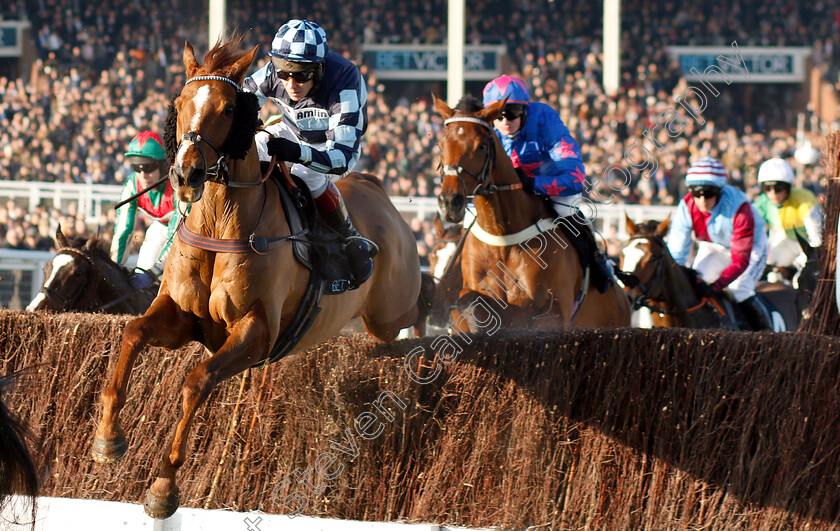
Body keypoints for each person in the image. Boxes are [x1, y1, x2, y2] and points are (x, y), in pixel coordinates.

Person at [243, 19, 375, 289]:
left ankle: (347, 234)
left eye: (301, 75)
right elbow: (240, 100)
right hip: (290, 131)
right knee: (250, 146)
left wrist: (298, 153)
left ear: (319, 68)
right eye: (284, 74)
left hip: (332, 144)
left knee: (305, 171)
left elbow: (343, 157)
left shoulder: (344, 80)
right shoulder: (273, 71)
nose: (291, 84)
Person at [481, 74, 613, 292]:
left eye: (512, 113)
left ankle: (597, 262)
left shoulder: (545, 121)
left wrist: (534, 183)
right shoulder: (485, 131)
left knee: (566, 208)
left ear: (524, 111)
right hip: (507, 191)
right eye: (498, 114)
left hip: (549, 185)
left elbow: (575, 179)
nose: (505, 120)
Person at [667, 157, 773, 330]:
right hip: (715, 246)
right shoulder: (686, 206)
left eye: (708, 193)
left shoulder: (740, 208)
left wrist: (716, 286)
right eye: (696, 193)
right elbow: (677, 254)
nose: (702, 200)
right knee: (697, 283)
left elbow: (740, 260)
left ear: (720, 191)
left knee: (739, 288)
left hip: (751, 248)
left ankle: (767, 335)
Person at [110, 131, 179, 289]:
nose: (142, 175)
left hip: (190, 232)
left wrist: (153, 272)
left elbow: (175, 234)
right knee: (142, 274)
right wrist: (113, 269)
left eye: (148, 167)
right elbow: (123, 230)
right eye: (137, 167)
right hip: (160, 227)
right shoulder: (132, 184)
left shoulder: (178, 183)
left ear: (162, 166)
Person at [752, 157, 823, 279]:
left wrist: (797, 265)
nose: (773, 193)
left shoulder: (804, 199)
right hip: (788, 239)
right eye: (767, 188)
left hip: (810, 244)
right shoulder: (762, 203)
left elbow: (817, 240)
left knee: (799, 280)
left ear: (788, 187)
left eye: (778, 188)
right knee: (773, 277)